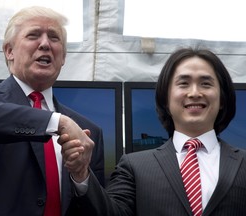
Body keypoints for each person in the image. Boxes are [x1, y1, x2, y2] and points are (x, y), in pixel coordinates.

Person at [60, 47, 246, 215]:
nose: (195, 93)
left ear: (222, 98)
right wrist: (82, 173)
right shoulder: (134, 167)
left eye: (206, 84)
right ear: (165, 98)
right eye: (183, 84)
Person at [0, 6, 104, 216]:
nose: (45, 44)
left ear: (63, 57)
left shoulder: (89, 132)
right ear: (9, 51)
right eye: (33, 35)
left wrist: (81, 178)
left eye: (54, 38)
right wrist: (56, 122)